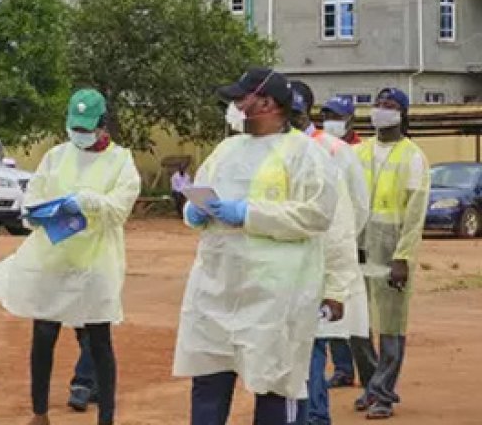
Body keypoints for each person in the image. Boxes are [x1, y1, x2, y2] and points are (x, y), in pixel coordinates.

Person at [173, 68, 337, 425]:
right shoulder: (227, 149)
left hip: (274, 296)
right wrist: (193, 210)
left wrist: (248, 213)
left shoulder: (306, 154)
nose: (234, 107)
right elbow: (203, 190)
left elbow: (317, 215)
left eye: (240, 99)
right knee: (208, 382)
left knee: (275, 386)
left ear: (267, 103)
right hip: (219, 287)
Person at [0, 89, 140, 425]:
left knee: (98, 338)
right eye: (76, 127)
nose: (81, 135)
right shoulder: (56, 156)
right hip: (53, 259)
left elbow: (117, 211)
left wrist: (85, 201)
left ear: (103, 125)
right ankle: (39, 412)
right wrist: (39, 214)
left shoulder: (121, 161)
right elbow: (32, 202)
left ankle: (106, 417)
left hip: (95, 263)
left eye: (88, 128)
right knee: (44, 332)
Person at [290, 82, 370, 425]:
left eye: (294, 111)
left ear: (305, 109)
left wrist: (338, 246)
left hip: (323, 260)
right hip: (286, 264)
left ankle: (317, 418)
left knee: (313, 346)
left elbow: (358, 206)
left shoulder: (335, 150)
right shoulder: (277, 148)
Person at [352, 88, 429, 420]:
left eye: (390, 105)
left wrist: (404, 257)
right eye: (378, 104)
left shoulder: (412, 156)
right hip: (359, 245)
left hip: (391, 248)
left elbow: (415, 212)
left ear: (403, 113)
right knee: (357, 323)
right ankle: (372, 385)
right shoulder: (360, 152)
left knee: (391, 325)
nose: (381, 110)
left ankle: (383, 394)